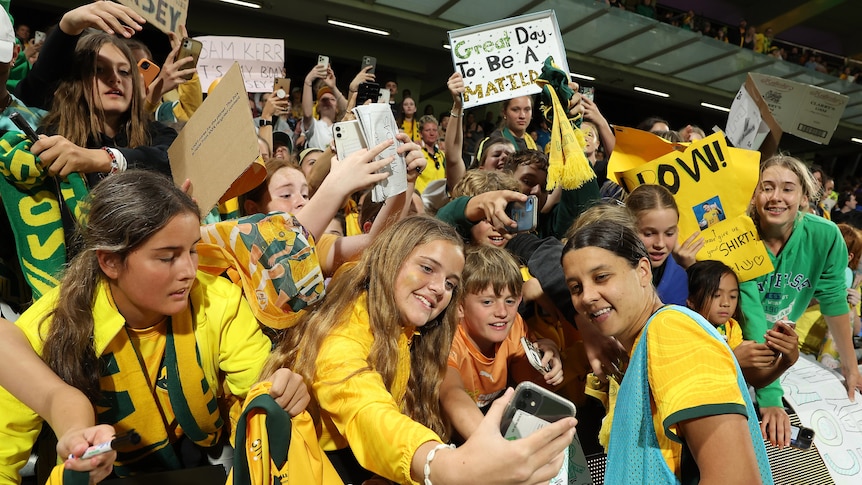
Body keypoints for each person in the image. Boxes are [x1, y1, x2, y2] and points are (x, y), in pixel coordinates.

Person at [0, 170, 309, 481]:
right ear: (110, 261)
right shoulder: (45, 329)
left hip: (199, 463)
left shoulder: (220, 299)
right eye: (166, 258)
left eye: (192, 250)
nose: (189, 271)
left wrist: (278, 393)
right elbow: (3, 457)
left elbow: (255, 391)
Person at [260, 216, 576, 485]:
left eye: (451, 283)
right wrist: (449, 467)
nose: (440, 288)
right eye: (427, 268)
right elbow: (370, 415)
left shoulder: (407, 326)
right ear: (391, 259)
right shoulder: (343, 337)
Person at [561, 219, 772, 484]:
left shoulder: (671, 330)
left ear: (643, 271)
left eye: (601, 277)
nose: (587, 296)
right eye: (575, 288)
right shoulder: (643, 345)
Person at [740, 155, 862, 448]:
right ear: (755, 194)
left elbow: (834, 302)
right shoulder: (740, 235)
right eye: (767, 188)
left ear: (805, 196)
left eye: (787, 189)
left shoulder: (825, 235)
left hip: (782, 353)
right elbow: (752, 314)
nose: (776, 197)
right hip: (739, 347)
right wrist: (770, 398)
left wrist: (850, 367)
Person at [441, 245, 562, 440]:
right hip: (443, 437)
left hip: (486, 429)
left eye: (510, 301)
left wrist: (549, 360)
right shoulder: (448, 340)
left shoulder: (514, 328)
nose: (502, 313)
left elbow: (531, 387)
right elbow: (451, 394)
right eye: (488, 302)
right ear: (460, 307)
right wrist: (493, 447)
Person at [686, 260, 799, 390]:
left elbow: (756, 379)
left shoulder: (730, 327)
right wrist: (731, 360)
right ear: (691, 300)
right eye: (716, 295)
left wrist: (785, 361)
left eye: (733, 296)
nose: (726, 303)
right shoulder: (682, 328)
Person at [625, 184, 703, 306]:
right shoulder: (614, 272)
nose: (660, 244)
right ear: (628, 229)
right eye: (649, 234)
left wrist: (692, 271)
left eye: (669, 233)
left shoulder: (680, 276)